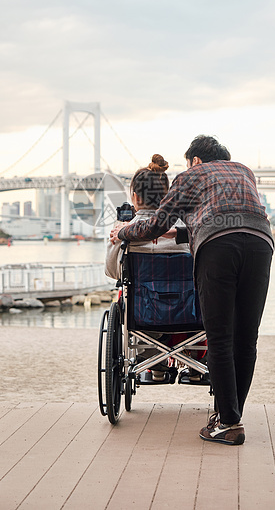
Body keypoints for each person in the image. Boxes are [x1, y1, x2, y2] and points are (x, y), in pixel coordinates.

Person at [110, 135, 274, 445]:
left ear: (195, 161)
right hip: (260, 243)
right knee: (246, 337)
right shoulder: (244, 172)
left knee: (221, 337)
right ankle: (228, 416)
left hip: (218, 250)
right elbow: (232, 217)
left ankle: (228, 422)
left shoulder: (191, 175)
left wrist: (123, 232)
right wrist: (183, 231)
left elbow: (156, 225)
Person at [105, 153, 191, 381]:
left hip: (144, 317)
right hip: (189, 316)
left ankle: (156, 364)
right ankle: (196, 361)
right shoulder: (187, 231)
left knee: (130, 297)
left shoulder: (123, 231)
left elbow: (113, 272)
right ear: (167, 197)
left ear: (134, 196)